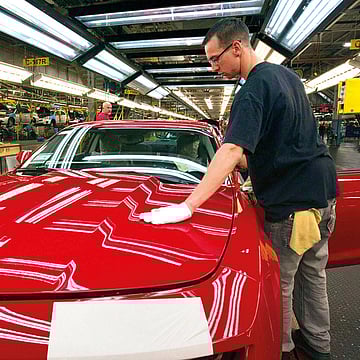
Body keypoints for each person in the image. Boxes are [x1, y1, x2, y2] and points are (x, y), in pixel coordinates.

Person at [139, 18, 337, 360]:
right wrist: (251, 165)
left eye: (216, 59)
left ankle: (281, 350)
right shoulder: (288, 77)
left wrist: (188, 205)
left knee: (280, 285)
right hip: (323, 196)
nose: (214, 68)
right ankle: (320, 348)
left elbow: (230, 150)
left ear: (237, 48)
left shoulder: (252, 90)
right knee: (313, 277)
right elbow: (280, 142)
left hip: (292, 206)